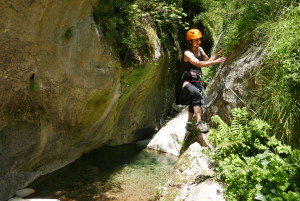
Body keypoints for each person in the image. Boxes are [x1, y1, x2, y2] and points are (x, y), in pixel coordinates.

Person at [183, 28, 226, 132]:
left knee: (194, 99)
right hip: (187, 82)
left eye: (200, 39)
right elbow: (199, 63)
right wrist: (216, 62)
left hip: (197, 81)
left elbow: (207, 60)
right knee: (196, 95)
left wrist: (219, 53)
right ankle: (199, 122)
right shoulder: (187, 53)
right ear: (190, 41)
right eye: (196, 40)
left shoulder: (200, 50)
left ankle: (188, 123)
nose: (199, 41)